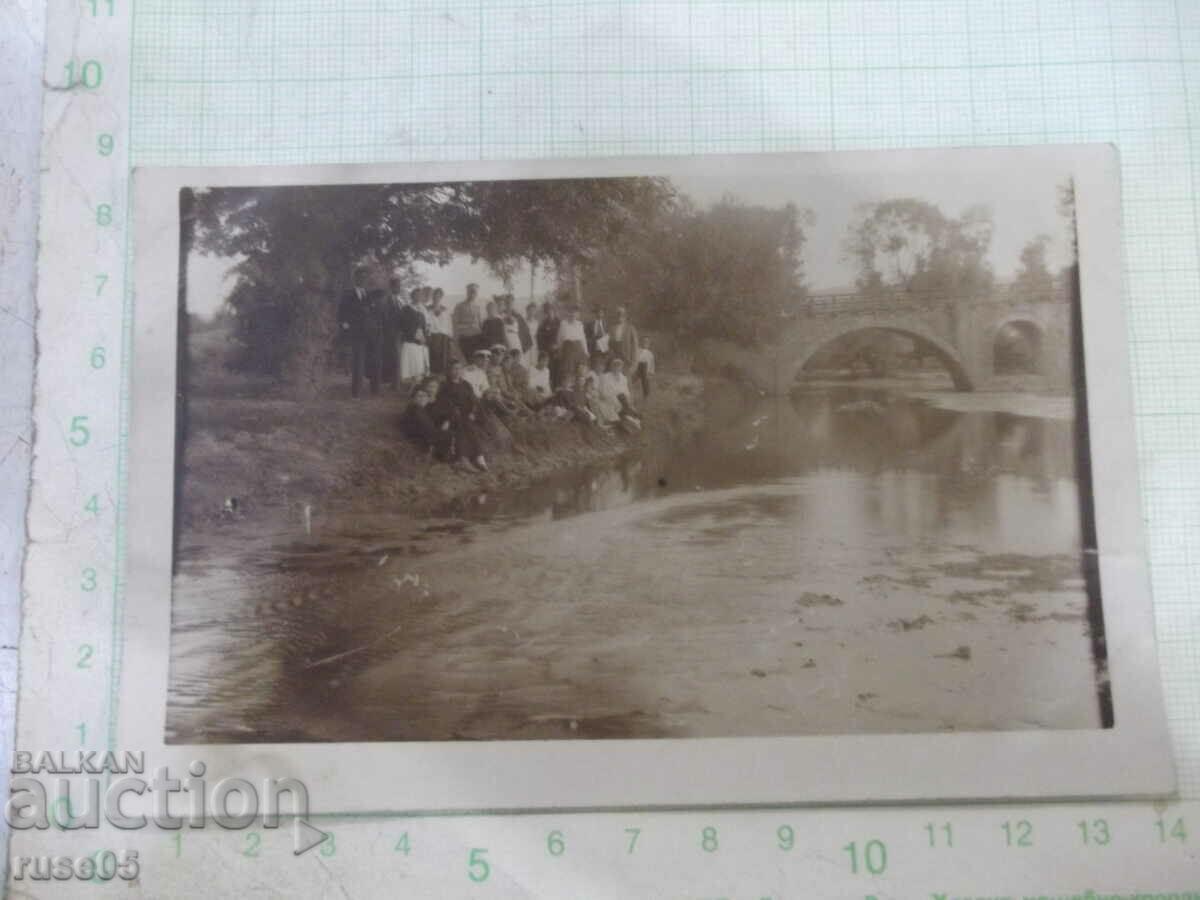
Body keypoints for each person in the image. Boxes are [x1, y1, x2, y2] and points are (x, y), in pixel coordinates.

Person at [431, 362, 488, 472]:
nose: (457, 371)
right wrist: (448, 417)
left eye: (460, 369)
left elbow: (474, 401)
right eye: (455, 369)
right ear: (449, 371)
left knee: (469, 425)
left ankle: (479, 458)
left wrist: (473, 412)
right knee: (463, 425)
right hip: (449, 416)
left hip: (465, 415)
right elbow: (442, 403)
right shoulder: (444, 385)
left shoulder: (466, 384)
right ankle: (463, 458)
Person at [337, 267, 383, 397]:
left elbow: (376, 313)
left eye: (365, 277)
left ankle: (375, 391)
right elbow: (342, 315)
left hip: (372, 333)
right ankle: (356, 393)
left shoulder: (370, 294)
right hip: (357, 333)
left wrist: (376, 327)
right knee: (358, 363)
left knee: (375, 361)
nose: (362, 280)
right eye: (360, 277)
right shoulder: (347, 294)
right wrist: (346, 329)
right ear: (355, 278)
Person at [401, 379, 453, 460]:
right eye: (429, 386)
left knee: (447, 433)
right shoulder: (420, 398)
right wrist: (421, 404)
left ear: (438, 389)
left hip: (433, 428)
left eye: (434, 387)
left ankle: (438, 452)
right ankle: (435, 446)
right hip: (420, 429)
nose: (431, 389)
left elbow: (448, 413)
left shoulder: (441, 402)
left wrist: (447, 421)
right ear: (425, 387)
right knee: (417, 408)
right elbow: (411, 416)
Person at [598, 357, 641, 433]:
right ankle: (629, 417)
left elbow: (627, 392)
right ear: (611, 367)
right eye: (615, 367)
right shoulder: (605, 377)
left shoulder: (623, 378)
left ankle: (629, 420)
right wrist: (615, 396)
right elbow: (603, 392)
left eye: (619, 367)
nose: (617, 369)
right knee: (621, 401)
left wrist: (627, 398)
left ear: (621, 368)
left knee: (623, 398)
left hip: (622, 401)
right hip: (610, 399)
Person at [397, 287, 429, 384]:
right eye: (415, 295)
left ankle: (417, 384)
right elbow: (403, 325)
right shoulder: (406, 309)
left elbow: (425, 326)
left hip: (420, 341)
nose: (418, 297)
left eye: (420, 295)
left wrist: (424, 337)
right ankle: (409, 385)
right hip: (409, 340)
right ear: (412, 297)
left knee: (419, 365)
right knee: (409, 364)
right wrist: (414, 335)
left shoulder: (423, 310)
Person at [555, 306, 589, 385]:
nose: (573, 315)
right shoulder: (563, 323)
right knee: (569, 370)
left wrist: (586, 351)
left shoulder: (580, 324)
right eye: (571, 312)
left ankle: (579, 388)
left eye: (575, 313)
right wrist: (560, 350)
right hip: (568, 349)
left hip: (578, 349)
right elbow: (559, 338)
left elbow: (583, 339)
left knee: (580, 370)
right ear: (568, 313)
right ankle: (569, 387)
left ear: (577, 315)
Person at [452, 283, 484, 361]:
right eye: (471, 292)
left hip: (476, 337)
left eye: (475, 292)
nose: (473, 294)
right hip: (464, 337)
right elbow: (455, 324)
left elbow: (480, 324)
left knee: (475, 360)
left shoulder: (478, 307)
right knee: (465, 360)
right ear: (467, 292)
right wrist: (455, 340)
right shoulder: (459, 306)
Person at [426, 288, 453, 375]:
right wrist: (427, 335)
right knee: (432, 357)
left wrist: (450, 336)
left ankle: (442, 376)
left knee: (443, 359)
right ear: (432, 297)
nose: (436, 298)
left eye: (438, 296)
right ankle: (432, 375)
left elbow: (449, 324)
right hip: (432, 336)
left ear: (441, 297)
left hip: (443, 337)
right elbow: (426, 323)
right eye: (435, 296)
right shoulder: (427, 309)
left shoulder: (445, 310)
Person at [536, 301, 561, 387]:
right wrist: (544, 349)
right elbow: (540, 338)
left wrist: (558, 346)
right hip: (547, 351)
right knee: (548, 370)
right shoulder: (544, 323)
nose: (550, 313)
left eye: (552, 311)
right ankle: (549, 387)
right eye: (548, 312)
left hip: (557, 351)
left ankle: (557, 386)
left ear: (554, 311)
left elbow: (562, 336)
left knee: (557, 370)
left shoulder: (559, 322)